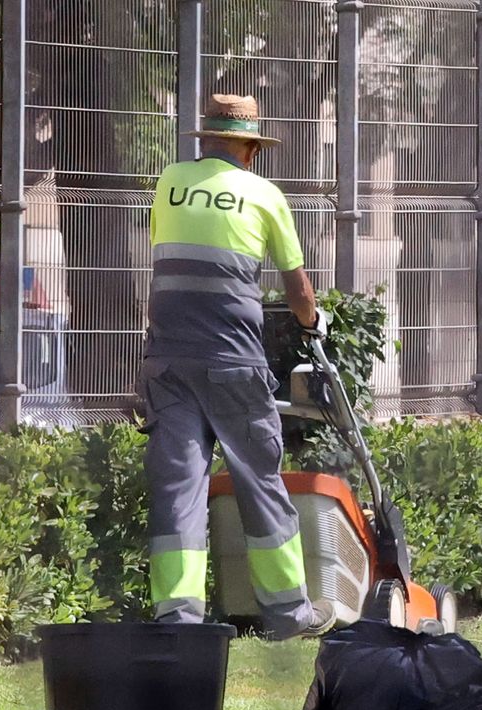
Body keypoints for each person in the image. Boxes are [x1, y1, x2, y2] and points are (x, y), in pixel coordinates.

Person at [138, 94, 334, 639]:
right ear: (250, 147)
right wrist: (312, 321)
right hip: (232, 362)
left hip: (168, 361)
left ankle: (178, 619)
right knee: (258, 478)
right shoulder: (264, 194)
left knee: (178, 487)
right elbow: (296, 287)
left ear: (208, 141)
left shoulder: (170, 182)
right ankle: (289, 612)